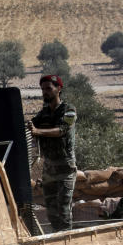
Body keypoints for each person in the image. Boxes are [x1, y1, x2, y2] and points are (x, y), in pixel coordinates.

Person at [27, 74, 77, 231]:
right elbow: (31, 128)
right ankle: (57, 240)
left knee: (63, 209)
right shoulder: (43, 113)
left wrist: (38, 131)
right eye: (42, 89)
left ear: (59, 89)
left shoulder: (69, 110)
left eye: (48, 88)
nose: (45, 92)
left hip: (65, 169)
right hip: (49, 169)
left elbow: (62, 130)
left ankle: (68, 241)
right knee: (51, 212)